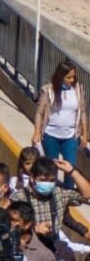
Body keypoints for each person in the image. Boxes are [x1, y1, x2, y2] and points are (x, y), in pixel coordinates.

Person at [32, 59, 88, 188]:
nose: (72, 80)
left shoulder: (79, 90)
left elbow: (83, 112)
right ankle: (54, 189)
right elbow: (39, 113)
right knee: (52, 166)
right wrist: (36, 132)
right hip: (51, 135)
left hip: (70, 136)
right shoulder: (48, 90)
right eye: (69, 77)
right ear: (60, 76)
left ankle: (69, 191)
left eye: (73, 77)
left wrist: (85, 134)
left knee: (71, 165)